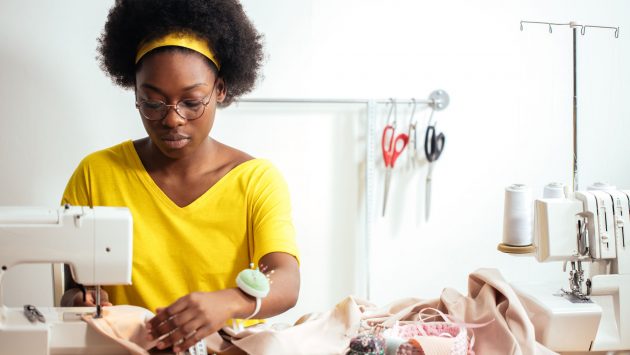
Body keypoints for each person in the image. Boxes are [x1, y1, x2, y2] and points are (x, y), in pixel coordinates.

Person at [60, 0, 300, 352]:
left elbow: (286, 280)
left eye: (191, 102)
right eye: (153, 103)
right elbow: (69, 292)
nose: (172, 119)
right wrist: (79, 301)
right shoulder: (96, 175)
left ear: (219, 89)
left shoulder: (255, 181)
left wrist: (230, 301)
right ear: (135, 93)